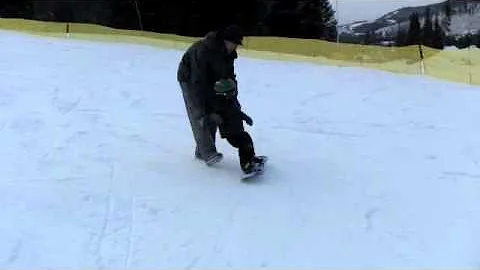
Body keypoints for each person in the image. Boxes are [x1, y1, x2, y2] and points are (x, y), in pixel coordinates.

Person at [177, 25, 264, 173]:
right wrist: (207, 103)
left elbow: (230, 77)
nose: (235, 47)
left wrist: (232, 93)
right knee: (201, 113)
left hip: (209, 80)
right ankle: (207, 153)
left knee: (215, 111)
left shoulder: (229, 53)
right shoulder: (203, 50)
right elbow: (198, 82)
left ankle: (200, 150)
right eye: (234, 43)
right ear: (225, 40)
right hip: (189, 79)